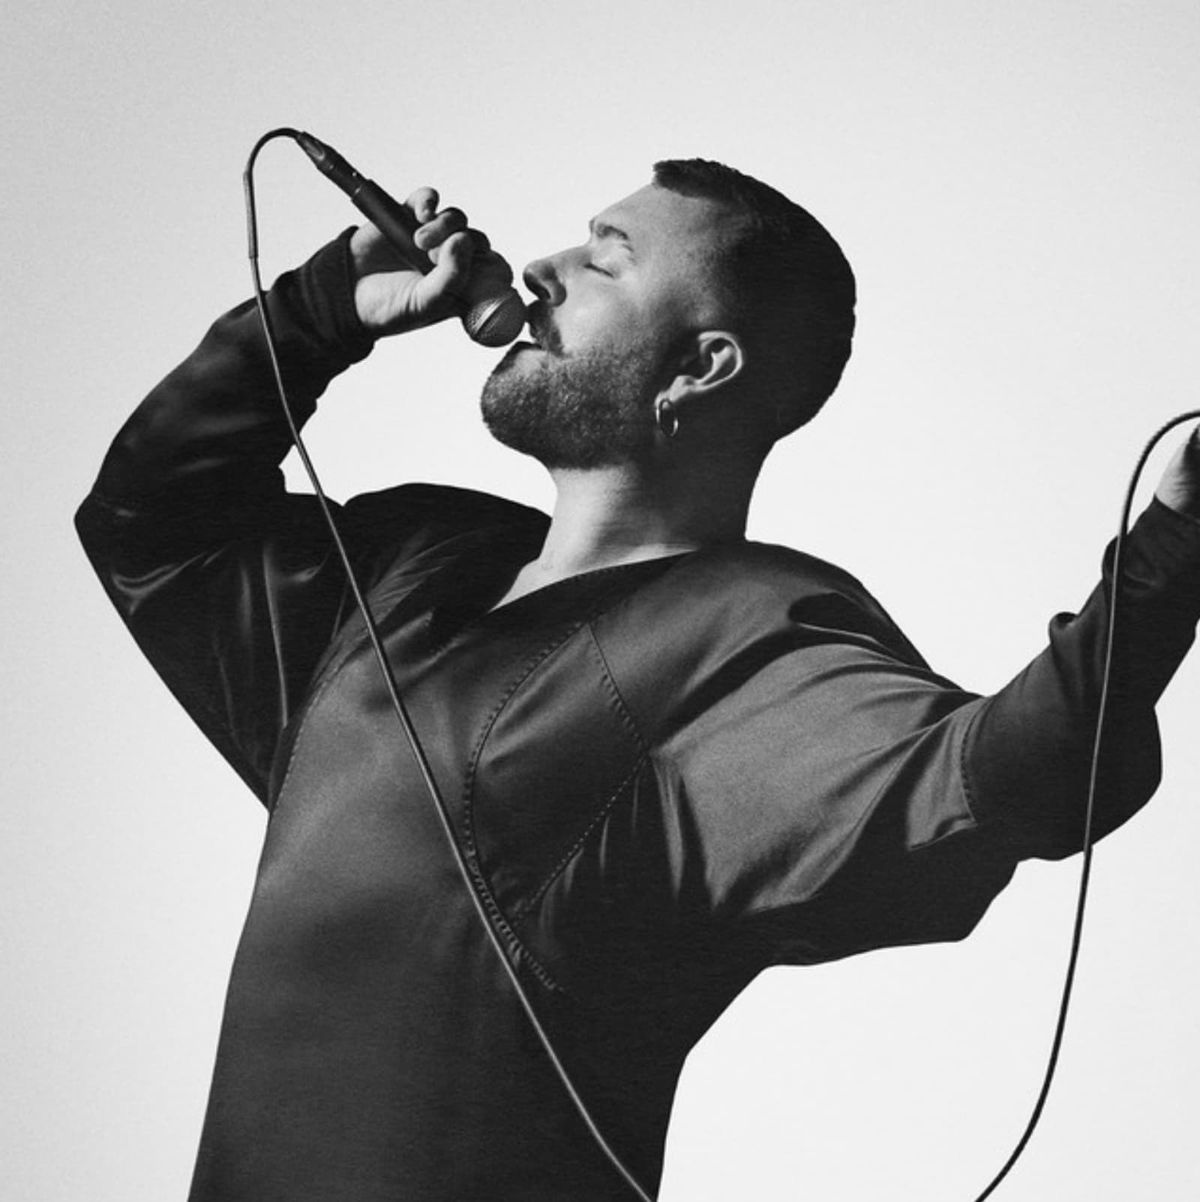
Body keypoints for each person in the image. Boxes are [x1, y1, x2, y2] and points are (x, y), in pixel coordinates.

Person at [76, 159, 1200, 1202]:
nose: (540, 269)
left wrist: (1170, 545)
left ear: (702, 367)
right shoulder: (415, 561)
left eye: (605, 260)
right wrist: (320, 310)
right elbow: (147, 526)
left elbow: (1013, 773)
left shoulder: (746, 641)